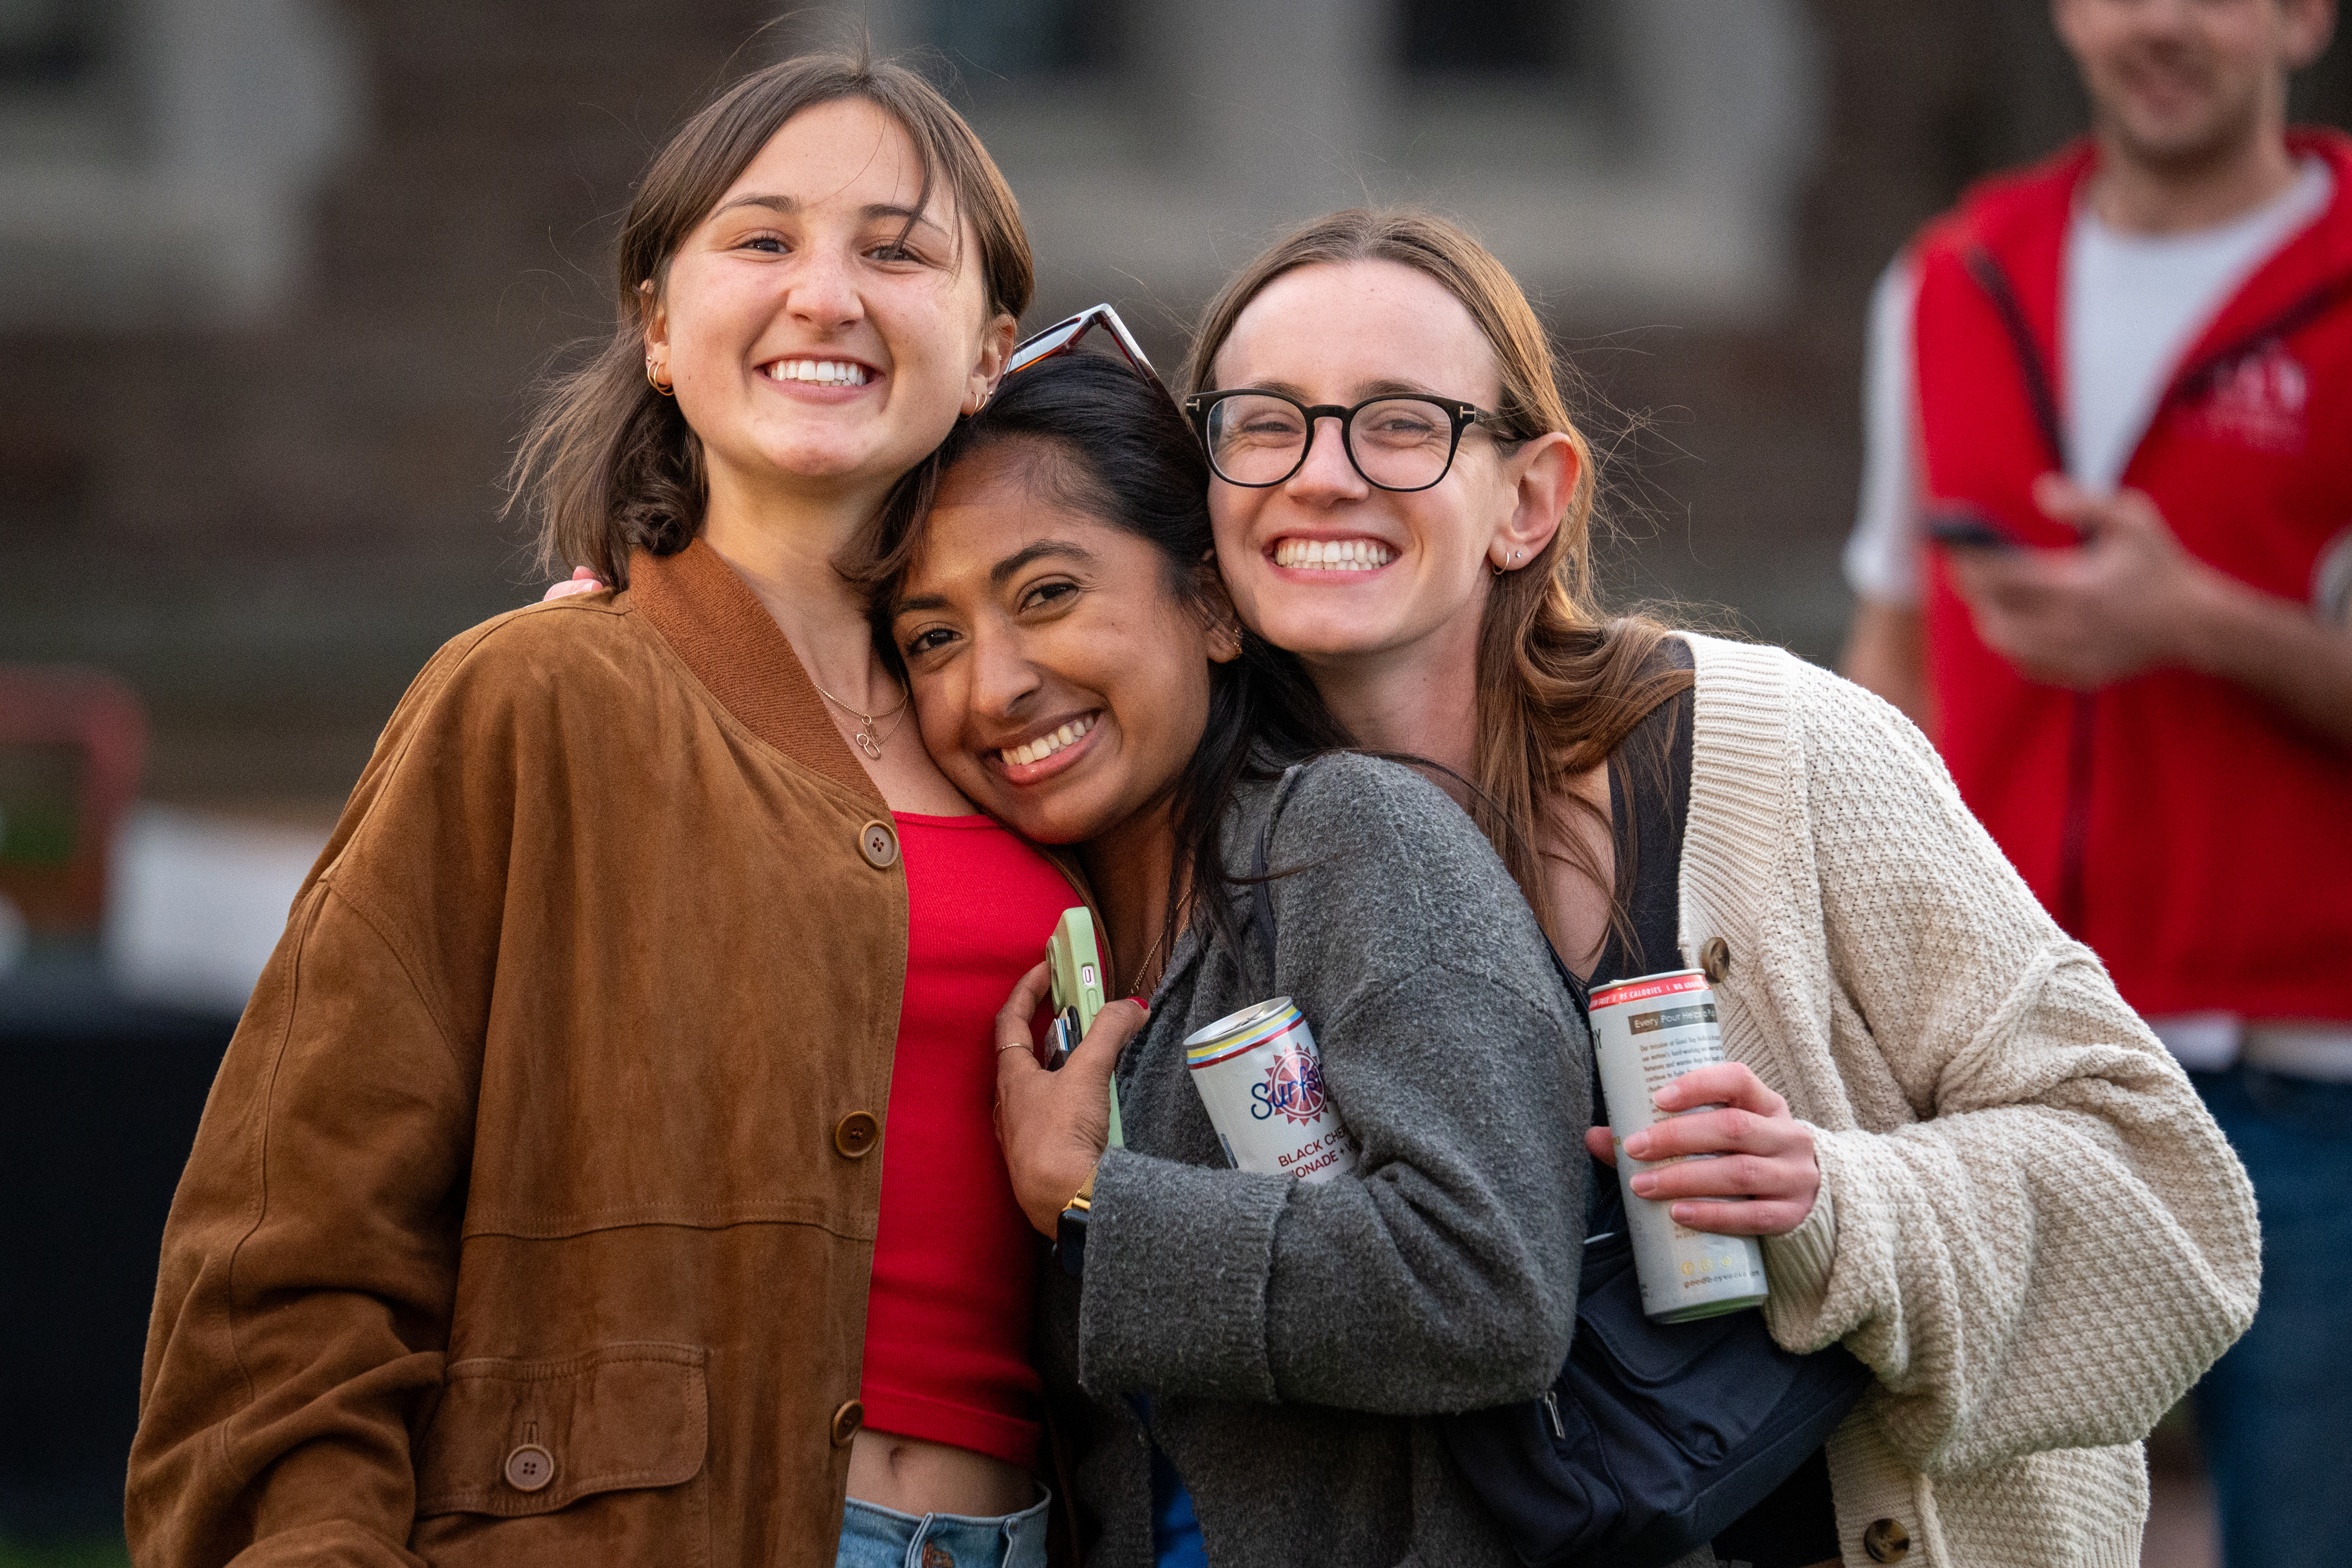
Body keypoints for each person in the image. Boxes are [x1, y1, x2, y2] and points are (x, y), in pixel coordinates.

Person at [1182, 206, 2262, 1568]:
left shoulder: (1779, 752)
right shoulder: (1192, 854)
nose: (1323, 473)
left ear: (1530, 501)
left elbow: (2174, 1205)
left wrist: (1835, 1203)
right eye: (1266, 423)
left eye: (1401, 424)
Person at [130, 54, 1079, 1568]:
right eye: (762, 240)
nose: (826, 296)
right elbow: (293, 1250)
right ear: (658, 327)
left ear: (989, 354)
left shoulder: (1056, 738)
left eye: (897, 252)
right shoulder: (531, 700)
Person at [871, 350, 1593, 1566]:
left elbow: (1488, 1288)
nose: (993, 688)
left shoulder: (1350, 839)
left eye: (1047, 594)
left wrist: (1092, 1201)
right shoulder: (1056, 962)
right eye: (933, 638)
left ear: (1211, 607)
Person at [1835, 1, 2351, 1560]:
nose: (2163, 21)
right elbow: (1893, 652)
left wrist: (2198, 621)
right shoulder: (1948, 278)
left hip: (2311, 1081)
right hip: (2007, 1067)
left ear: (2305, 16)